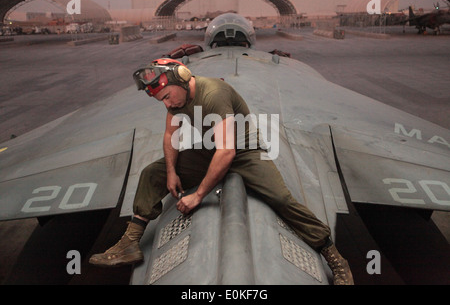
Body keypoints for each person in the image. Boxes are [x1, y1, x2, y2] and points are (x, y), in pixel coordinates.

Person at [89, 58, 354, 285]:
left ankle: (334, 256)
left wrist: (198, 195)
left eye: (167, 96)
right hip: (210, 149)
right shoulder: (177, 103)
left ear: (182, 78)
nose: (167, 104)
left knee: (282, 199)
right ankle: (130, 243)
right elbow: (171, 134)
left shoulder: (214, 93)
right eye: (162, 100)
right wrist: (170, 171)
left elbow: (227, 152)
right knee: (151, 173)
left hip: (244, 151)